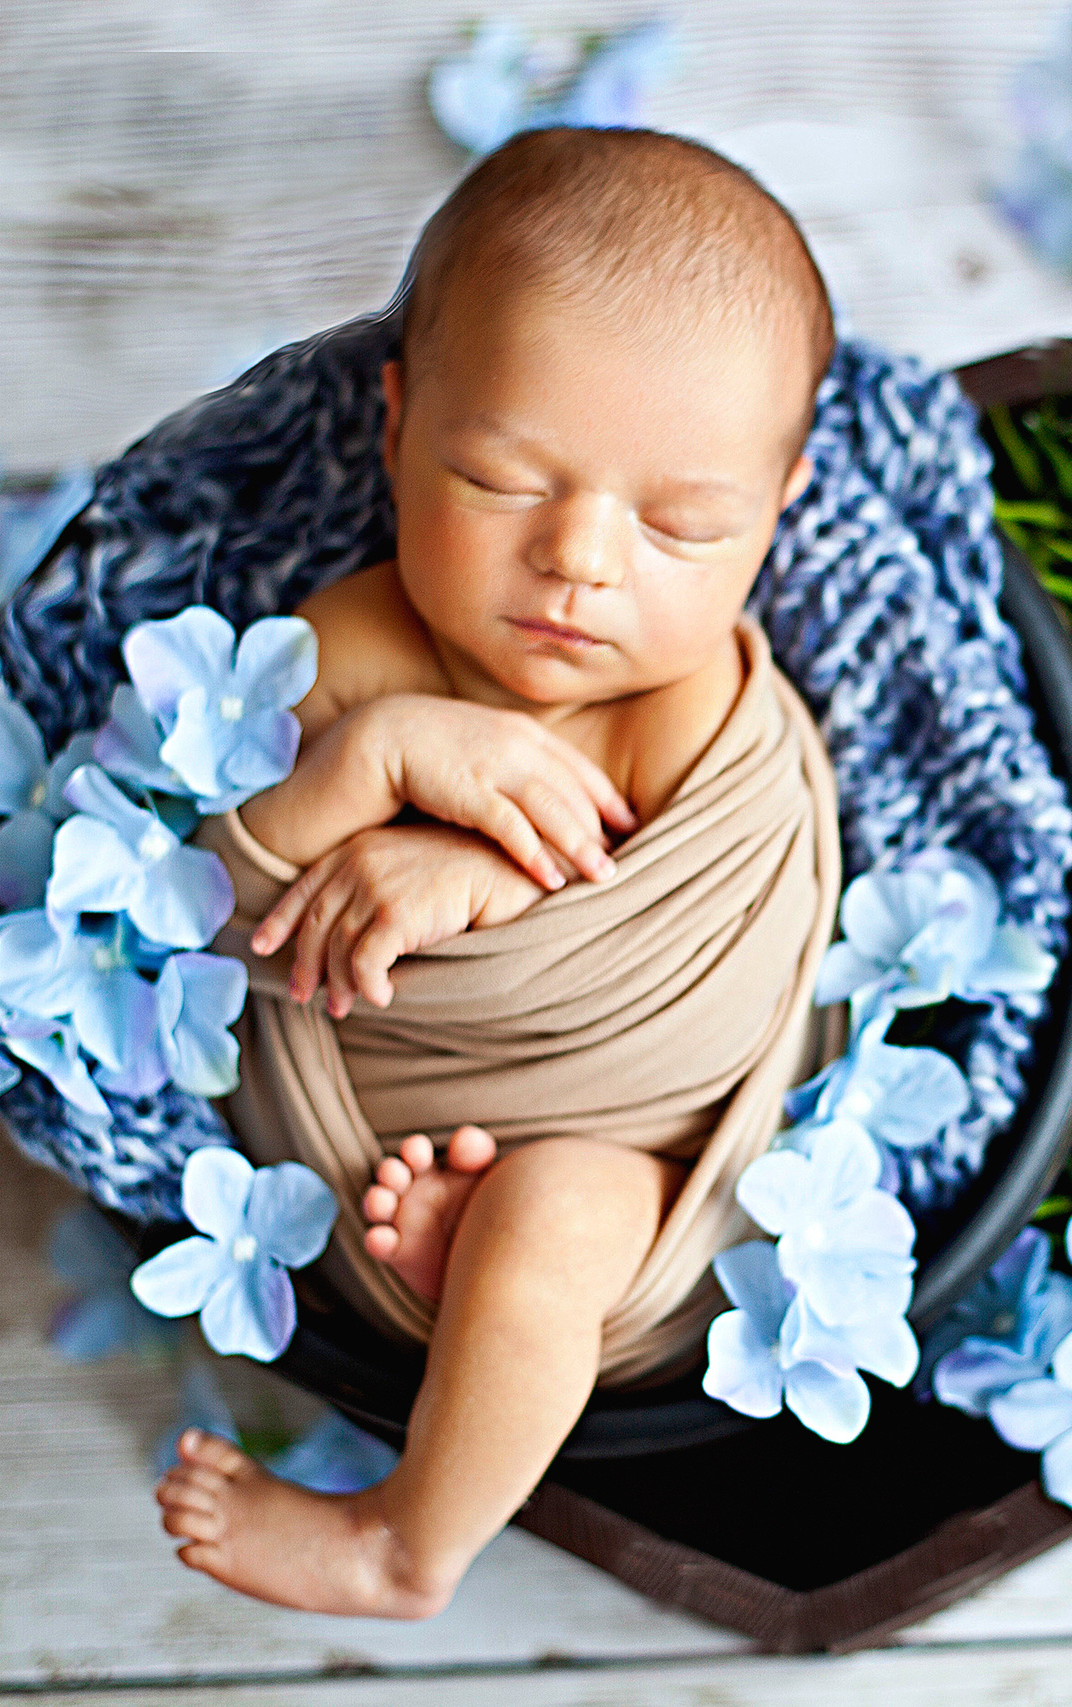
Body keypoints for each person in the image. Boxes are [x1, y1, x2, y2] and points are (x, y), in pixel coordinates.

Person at [151, 124, 843, 1620]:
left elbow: (665, 912)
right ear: (395, 424)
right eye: (503, 478)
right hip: (348, 1129)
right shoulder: (353, 650)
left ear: (776, 508)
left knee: (545, 1222)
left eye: (682, 524)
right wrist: (370, 764)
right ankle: (448, 1265)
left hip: (642, 1171)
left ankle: (407, 1544)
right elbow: (219, 912)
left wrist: (478, 878)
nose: (583, 560)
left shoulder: (690, 703)